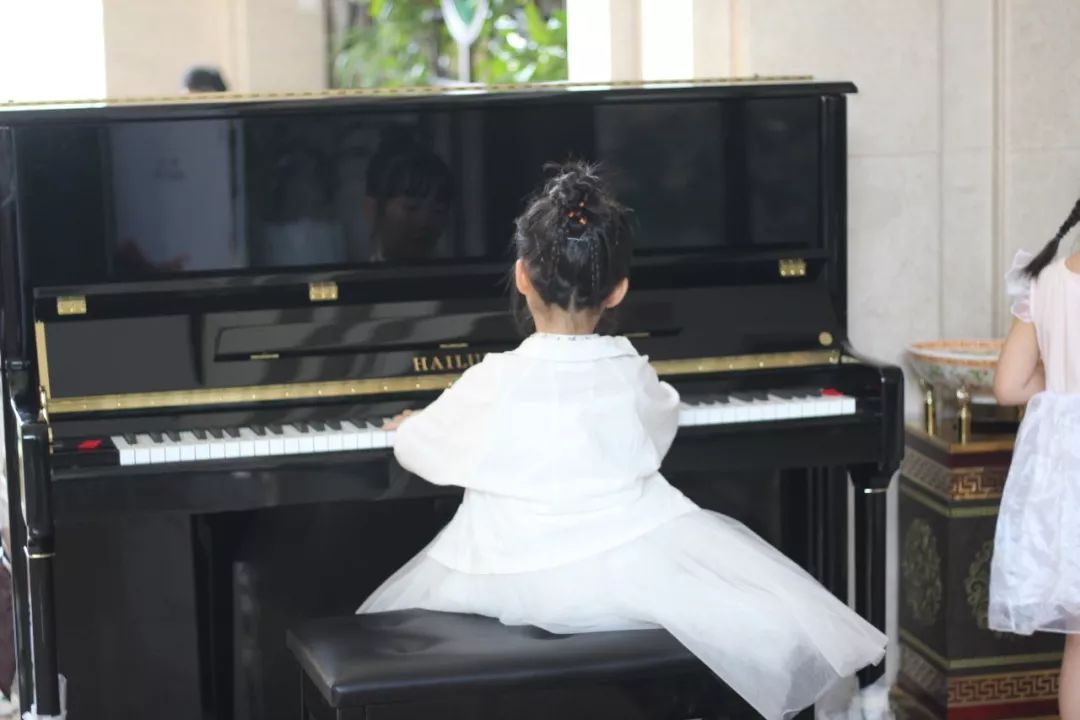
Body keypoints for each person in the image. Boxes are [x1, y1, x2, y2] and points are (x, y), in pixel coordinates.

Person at [358, 161, 887, 719]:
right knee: (764, 622)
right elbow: (661, 426)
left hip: (505, 571)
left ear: (521, 277)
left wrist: (408, 426)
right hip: (627, 568)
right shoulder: (630, 368)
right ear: (617, 292)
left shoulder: (495, 376)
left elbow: (426, 448)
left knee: (384, 626)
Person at [990, 195, 1080, 720]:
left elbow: (1008, 386)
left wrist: (1063, 381)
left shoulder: (1043, 281)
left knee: (1079, 644)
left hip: (1064, 483)